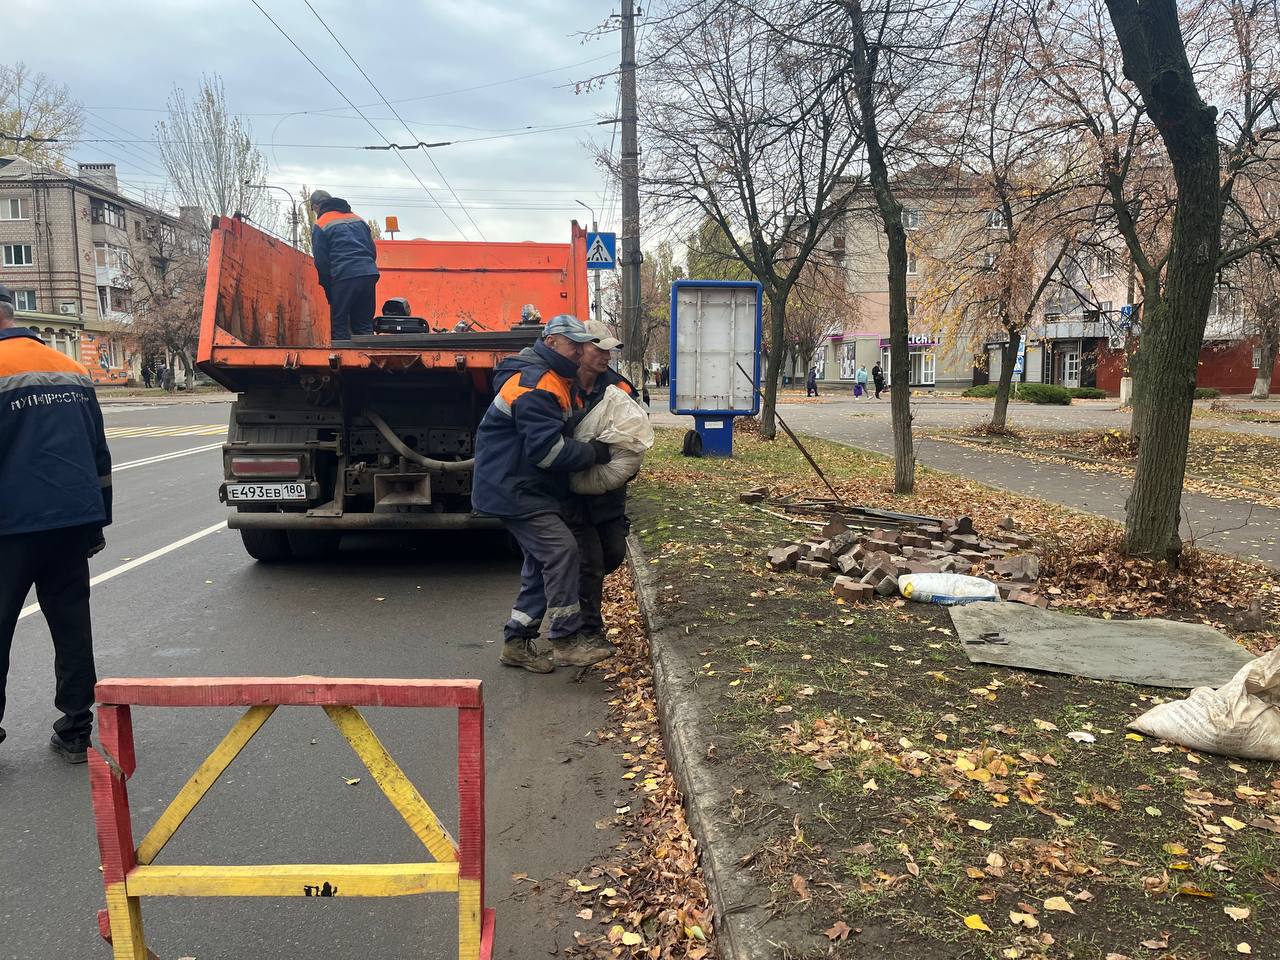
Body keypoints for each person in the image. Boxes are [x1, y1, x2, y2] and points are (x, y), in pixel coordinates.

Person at [0, 285, 112, 763]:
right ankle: (76, 730)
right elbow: (97, 452)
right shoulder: (72, 369)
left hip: (9, 527)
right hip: (70, 520)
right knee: (71, 623)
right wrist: (97, 520)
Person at [472, 314, 613, 673]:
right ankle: (565, 641)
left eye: (583, 344)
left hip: (523, 485)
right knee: (562, 550)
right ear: (551, 343)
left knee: (541, 562)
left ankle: (516, 642)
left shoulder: (555, 378)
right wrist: (595, 453)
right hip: (516, 488)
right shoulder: (536, 384)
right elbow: (547, 452)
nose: (581, 351)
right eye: (574, 344)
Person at [575, 321, 642, 645]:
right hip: (570, 491)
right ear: (580, 349)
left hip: (609, 490)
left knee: (612, 554)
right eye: (598, 349)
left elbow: (634, 432)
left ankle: (577, 602)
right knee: (589, 562)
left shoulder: (620, 388)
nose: (606, 355)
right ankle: (589, 629)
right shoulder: (563, 386)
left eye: (609, 350)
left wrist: (619, 465)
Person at [309, 189, 380, 343]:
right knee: (364, 325)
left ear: (316, 207)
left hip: (344, 276)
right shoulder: (358, 219)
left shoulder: (321, 224)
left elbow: (321, 262)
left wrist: (328, 287)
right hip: (368, 274)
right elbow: (372, 251)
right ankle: (367, 363)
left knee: (340, 326)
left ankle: (343, 363)